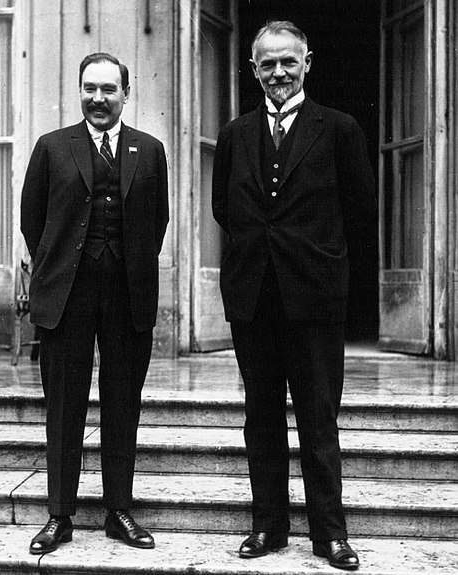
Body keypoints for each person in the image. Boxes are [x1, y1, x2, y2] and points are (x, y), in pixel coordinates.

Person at [212, 21, 376, 571]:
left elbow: (358, 212)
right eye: (267, 64)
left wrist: (318, 268)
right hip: (253, 297)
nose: (278, 72)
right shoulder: (235, 134)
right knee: (260, 414)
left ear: (308, 62)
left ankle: (330, 534)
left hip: (314, 299)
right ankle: (268, 526)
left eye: (288, 61)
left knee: (317, 416)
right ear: (253, 69)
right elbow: (224, 210)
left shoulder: (340, 129)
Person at [21, 52, 169, 554]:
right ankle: (59, 516)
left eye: (108, 89)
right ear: (79, 91)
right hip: (67, 296)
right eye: (89, 88)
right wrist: (63, 268)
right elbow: (32, 222)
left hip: (128, 296)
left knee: (123, 404)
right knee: (63, 406)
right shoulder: (51, 147)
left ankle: (118, 511)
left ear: (126, 93)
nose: (98, 98)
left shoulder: (149, 151)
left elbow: (158, 222)